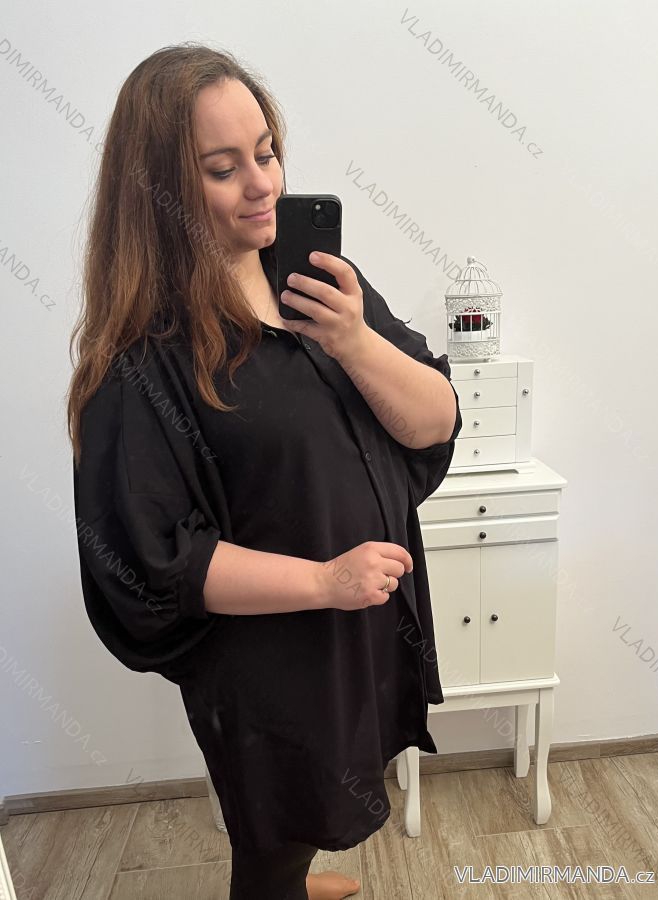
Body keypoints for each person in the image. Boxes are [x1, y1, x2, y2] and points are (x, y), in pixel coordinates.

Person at [67, 43, 462, 900]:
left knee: (324, 795)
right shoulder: (145, 359)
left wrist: (354, 340)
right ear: (158, 192)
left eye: (266, 152)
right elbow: (157, 560)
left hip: (359, 621)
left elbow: (433, 420)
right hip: (271, 655)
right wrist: (324, 580)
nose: (263, 185)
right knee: (275, 825)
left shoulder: (315, 282)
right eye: (222, 169)